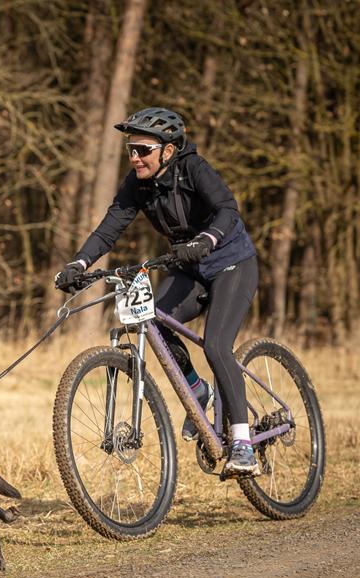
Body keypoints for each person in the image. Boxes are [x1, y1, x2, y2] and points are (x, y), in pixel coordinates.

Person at [54, 107, 259, 477]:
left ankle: (243, 443)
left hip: (231, 263)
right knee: (155, 323)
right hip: (189, 267)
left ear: (168, 150)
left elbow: (228, 210)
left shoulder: (193, 168)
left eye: (143, 150)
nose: (135, 157)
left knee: (216, 346)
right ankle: (198, 391)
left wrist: (206, 239)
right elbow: (108, 229)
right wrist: (78, 264)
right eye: (131, 150)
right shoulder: (137, 184)